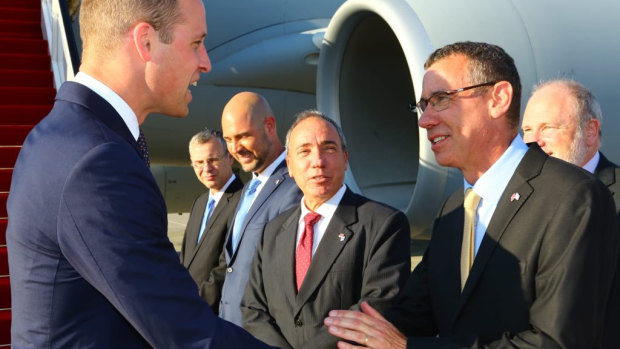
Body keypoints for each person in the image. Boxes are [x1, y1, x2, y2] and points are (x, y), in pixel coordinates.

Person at [6, 0, 271, 347]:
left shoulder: (60, 135)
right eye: (195, 43)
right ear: (145, 42)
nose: (205, 62)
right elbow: (187, 334)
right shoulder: (97, 162)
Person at [323, 41, 618, 348]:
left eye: (441, 99)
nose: (424, 120)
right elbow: (411, 314)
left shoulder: (572, 196)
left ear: (498, 99)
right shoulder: (454, 211)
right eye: (424, 105)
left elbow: (557, 342)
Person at [241, 111, 411, 348]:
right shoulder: (273, 231)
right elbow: (253, 308)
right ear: (289, 165)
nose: (318, 161)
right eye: (305, 151)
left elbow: (375, 307)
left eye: (329, 149)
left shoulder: (383, 224)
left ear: (345, 158)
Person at [521, 79, 620, 348]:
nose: (532, 142)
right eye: (527, 130)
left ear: (590, 132)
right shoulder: (516, 198)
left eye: (548, 128)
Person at [219, 91, 302, 326]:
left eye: (243, 136)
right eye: (228, 139)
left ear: (269, 126)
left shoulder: (295, 186)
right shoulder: (250, 188)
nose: (235, 148)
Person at [180, 128, 243, 312]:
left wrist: (195, 305)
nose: (206, 169)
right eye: (198, 163)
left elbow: (228, 266)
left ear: (230, 158)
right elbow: (186, 259)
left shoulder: (243, 201)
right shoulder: (200, 203)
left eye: (213, 160)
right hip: (190, 309)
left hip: (214, 311)